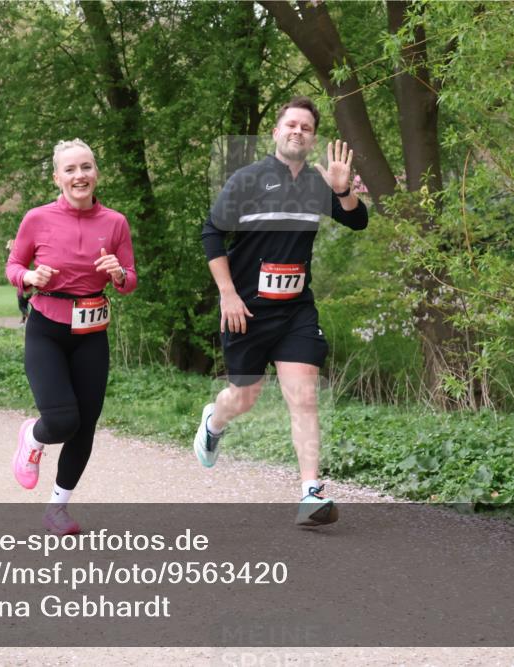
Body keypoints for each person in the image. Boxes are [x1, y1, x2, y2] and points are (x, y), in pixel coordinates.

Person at [194, 96, 368, 526]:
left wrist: (343, 191)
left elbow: (357, 221)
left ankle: (311, 492)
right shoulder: (247, 179)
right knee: (244, 397)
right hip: (247, 310)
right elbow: (212, 233)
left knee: (304, 396)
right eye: (291, 124)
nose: (298, 131)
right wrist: (227, 294)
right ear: (276, 132)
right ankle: (214, 422)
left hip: (295, 311)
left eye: (306, 128)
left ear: (312, 139)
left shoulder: (317, 184)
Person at [6, 138, 137, 535]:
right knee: (62, 420)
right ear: (56, 178)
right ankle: (33, 435)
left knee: (86, 425)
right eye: (70, 169)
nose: (79, 176)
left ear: (96, 173)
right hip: (47, 327)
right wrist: (28, 276)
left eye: (86, 167)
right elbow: (14, 264)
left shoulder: (115, 222)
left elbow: (129, 282)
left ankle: (57, 509)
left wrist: (118, 273)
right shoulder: (37, 218)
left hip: (91, 331)